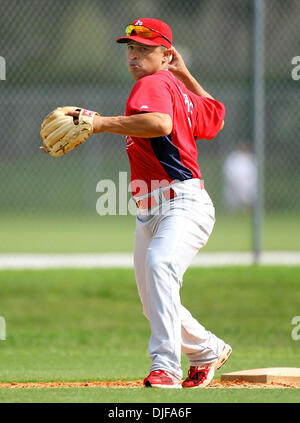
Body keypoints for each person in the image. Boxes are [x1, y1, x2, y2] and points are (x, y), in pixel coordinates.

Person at [67, 18, 231, 388]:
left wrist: (99, 123)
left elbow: (159, 124)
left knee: (160, 267)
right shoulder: (176, 88)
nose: (134, 55)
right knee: (153, 302)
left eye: (145, 48)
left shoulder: (154, 83)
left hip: (181, 202)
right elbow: (215, 118)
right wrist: (185, 75)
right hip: (154, 210)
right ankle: (207, 349)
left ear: (166, 54)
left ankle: (165, 367)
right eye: (131, 47)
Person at [223, 142, 257, 212]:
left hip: (247, 184)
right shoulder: (233, 158)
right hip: (234, 184)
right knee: (232, 202)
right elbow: (228, 172)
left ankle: (247, 211)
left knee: (248, 200)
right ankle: (232, 213)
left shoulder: (250, 158)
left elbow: (253, 174)